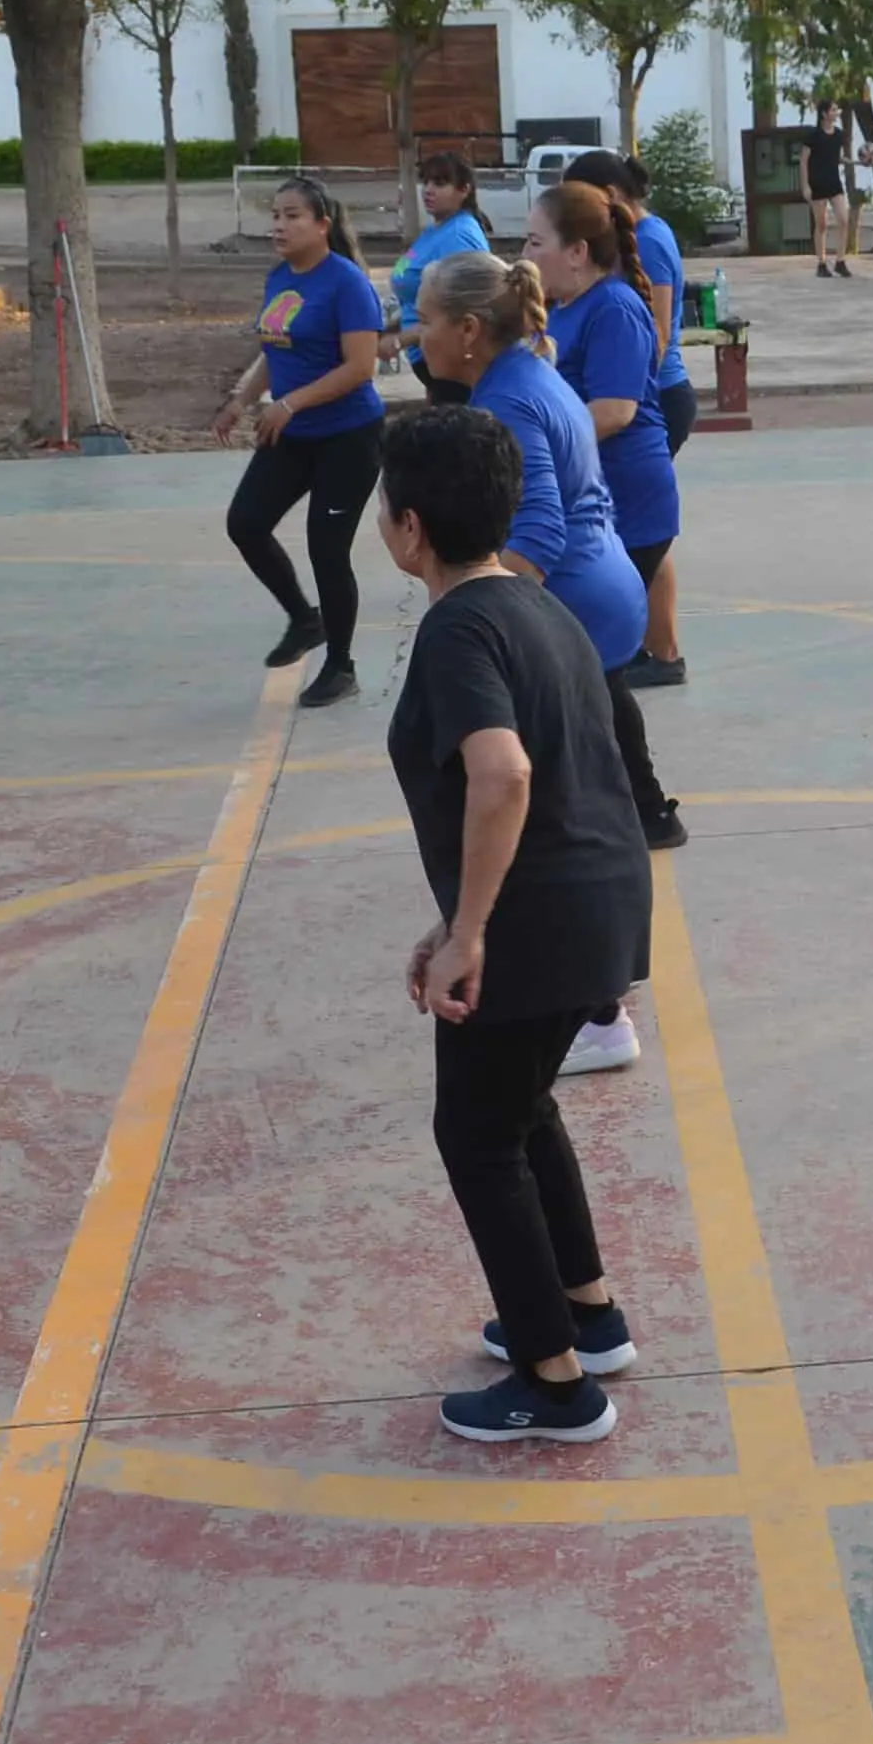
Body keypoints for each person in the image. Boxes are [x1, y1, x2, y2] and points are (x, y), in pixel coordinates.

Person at [378, 405, 653, 1444]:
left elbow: (503, 774)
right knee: (525, 1108)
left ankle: (555, 1385)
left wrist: (470, 933)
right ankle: (586, 1312)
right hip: (595, 904)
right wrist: (457, 916)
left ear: (409, 529)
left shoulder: (459, 628)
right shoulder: (537, 606)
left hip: (537, 925)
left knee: (477, 1133)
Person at [413, 239, 686, 859]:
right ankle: (646, 817)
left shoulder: (507, 399)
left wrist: (471, 616)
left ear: (468, 331)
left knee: (531, 761)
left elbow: (538, 534)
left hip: (577, 597)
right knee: (605, 719)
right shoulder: (529, 371)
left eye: (425, 320)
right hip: (601, 585)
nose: (414, 334)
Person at [214, 175, 388, 706]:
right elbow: (276, 349)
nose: (279, 225)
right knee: (244, 523)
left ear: (322, 225)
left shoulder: (347, 284)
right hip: (292, 433)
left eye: (292, 216)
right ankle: (303, 619)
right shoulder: (280, 279)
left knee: (327, 550)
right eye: (276, 215)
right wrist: (244, 397)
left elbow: (361, 367)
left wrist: (290, 404)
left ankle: (341, 666)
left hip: (349, 437)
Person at [563, 149, 694, 686]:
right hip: (645, 397)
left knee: (639, 533)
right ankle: (659, 650)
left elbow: (656, 334)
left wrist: (625, 386)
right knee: (644, 538)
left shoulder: (652, 240)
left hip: (658, 395)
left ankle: (656, 652)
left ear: (610, 197)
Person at [395, 152, 493, 400]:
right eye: (425, 182)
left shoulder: (459, 235)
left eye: (439, 183)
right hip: (430, 362)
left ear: (464, 190)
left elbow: (464, 310)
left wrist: (401, 340)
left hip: (451, 364)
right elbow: (413, 292)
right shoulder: (433, 230)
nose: (428, 190)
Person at [803, 99, 854, 276]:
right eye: (833, 110)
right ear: (824, 114)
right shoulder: (813, 135)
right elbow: (803, 161)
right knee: (822, 224)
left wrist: (856, 162)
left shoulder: (838, 134)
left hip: (834, 182)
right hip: (817, 183)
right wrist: (805, 186)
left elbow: (838, 158)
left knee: (844, 219)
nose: (837, 112)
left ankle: (840, 260)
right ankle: (821, 263)